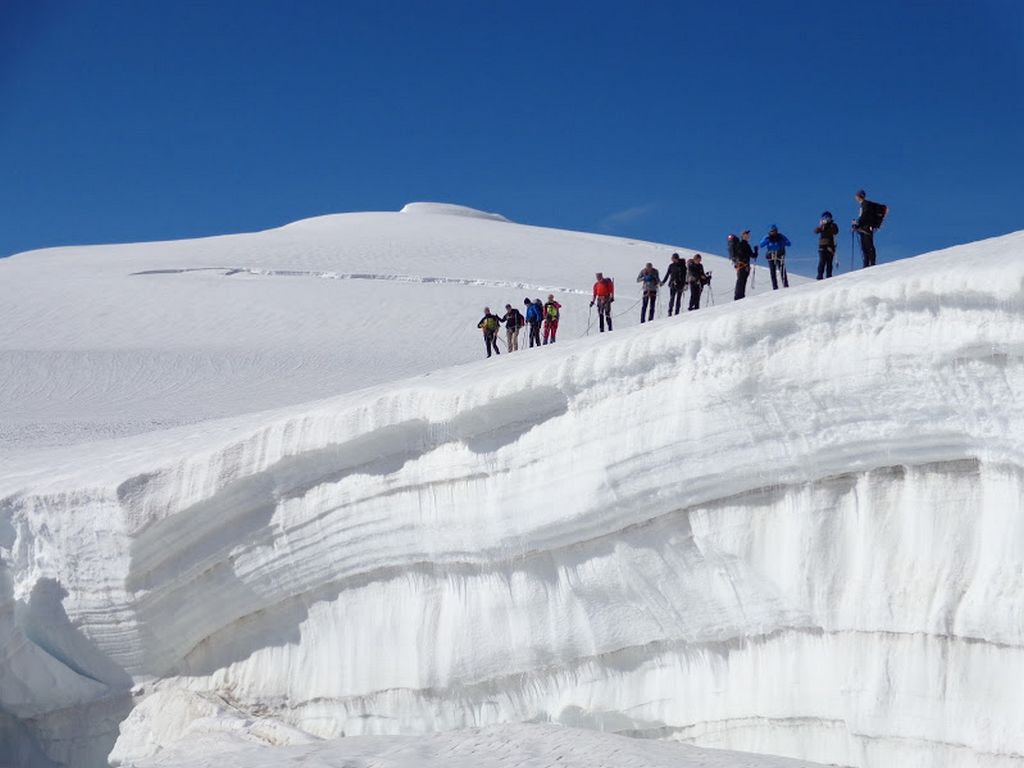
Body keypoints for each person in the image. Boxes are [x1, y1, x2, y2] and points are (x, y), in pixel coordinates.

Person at [852, 190, 887, 268]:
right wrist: (857, 224)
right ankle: (867, 263)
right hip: (864, 228)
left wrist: (857, 224)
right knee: (865, 246)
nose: (856, 198)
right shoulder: (863, 205)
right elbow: (863, 216)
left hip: (866, 228)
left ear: (859, 196)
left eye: (857, 196)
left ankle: (871, 263)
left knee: (868, 245)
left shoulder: (865, 204)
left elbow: (864, 216)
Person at [759, 224, 791, 289]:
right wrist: (767, 240)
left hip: (780, 255)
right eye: (772, 231)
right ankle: (775, 287)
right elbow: (761, 244)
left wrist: (782, 242)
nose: (773, 232)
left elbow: (789, 243)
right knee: (772, 272)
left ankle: (785, 285)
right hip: (771, 256)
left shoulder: (780, 236)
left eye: (774, 231)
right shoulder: (767, 237)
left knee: (782, 270)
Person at [730, 231, 757, 300]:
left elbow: (752, 255)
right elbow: (750, 255)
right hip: (742, 265)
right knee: (741, 281)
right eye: (746, 235)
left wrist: (756, 251)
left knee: (742, 281)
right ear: (742, 236)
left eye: (748, 235)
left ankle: (740, 296)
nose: (748, 236)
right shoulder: (741, 244)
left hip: (744, 266)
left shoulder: (746, 245)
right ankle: (738, 297)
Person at [815, 211, 840, 279]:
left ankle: (829, 276)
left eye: (828, 218)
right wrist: (821, 226)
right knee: (822, 261)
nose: (826, 219)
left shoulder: (833, 225)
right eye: (825, 218)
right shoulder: (822, 226)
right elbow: (816, 231)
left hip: (830, 246)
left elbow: (836, 231)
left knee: (829, 262)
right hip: (822, 245)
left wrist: (829, 225)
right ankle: (820, 276)